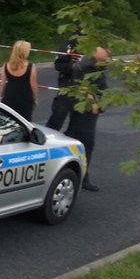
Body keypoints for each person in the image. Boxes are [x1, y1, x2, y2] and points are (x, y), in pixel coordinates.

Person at [65, 46, 111, 192]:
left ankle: (77, 174)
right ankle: (82, 177)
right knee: (86, 143)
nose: (108, 54)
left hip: (83, 108)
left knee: (75, 137)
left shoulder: (93, 63)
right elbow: (84, 87)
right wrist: (94, 104)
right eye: (105, 51)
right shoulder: (88, 66)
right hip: (86, 110)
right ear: (96, 50)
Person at [45, 31, 82, 131]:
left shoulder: (94, 46)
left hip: (84, 88)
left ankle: (72, 137)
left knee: (79, 119)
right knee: (59, 114)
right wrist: (72, 66)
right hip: (67, 85)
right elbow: (58, 65)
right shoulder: (68, 45)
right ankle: (50, 136)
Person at [0, 40, 38, 121]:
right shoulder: (31, 67)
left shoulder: (6, 66)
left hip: (9, 97)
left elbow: (2, 84)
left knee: (9, 120)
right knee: (24, 121)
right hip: (25, 98)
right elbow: (33, 85)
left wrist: (0, 96)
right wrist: (35, 98)